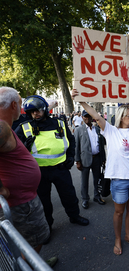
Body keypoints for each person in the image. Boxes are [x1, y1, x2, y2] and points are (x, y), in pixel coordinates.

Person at [72, 88, 129, 256]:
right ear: (121, 116)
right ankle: (118, 239)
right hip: (119, 180)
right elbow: (97, 116)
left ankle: (128, 236)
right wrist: (81, 100)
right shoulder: (111, 131)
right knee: (119, 212)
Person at [15, 95, 89, 241]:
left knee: (69, 196)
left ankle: (74, 216)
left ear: (45, 110)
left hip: (60, 169)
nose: (35, 113)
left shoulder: (59, 123)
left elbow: (71, 140)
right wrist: (24, 147)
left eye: (38, 110)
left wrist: (71, 157)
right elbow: (14, 151)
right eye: (32, 111)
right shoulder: (23, 128)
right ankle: (47, 226)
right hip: (39, 172)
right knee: (44, 202)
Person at [0, 87, 57, 267]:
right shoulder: (1, 127)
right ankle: (29, 266)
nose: (25, 110)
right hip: (22, 204)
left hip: (23, 200)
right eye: (21, 103)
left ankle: (32, 262)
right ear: (14, 105)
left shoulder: (6, 124)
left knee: (25, 240)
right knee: (37, 238)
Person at [74, 110, 106, 209]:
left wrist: (103, 158)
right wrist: (77, 161)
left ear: (92, 117)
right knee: (84, 181)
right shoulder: (79, 130)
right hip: (84, 159)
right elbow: (76, 147)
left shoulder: (97, 129)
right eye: (85, 116)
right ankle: (85, 199)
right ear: (82, 118)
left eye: (89, 116)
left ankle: (96, 196)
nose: (87, 118)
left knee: (97, 179)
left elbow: (101, 145)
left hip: (97, 158)